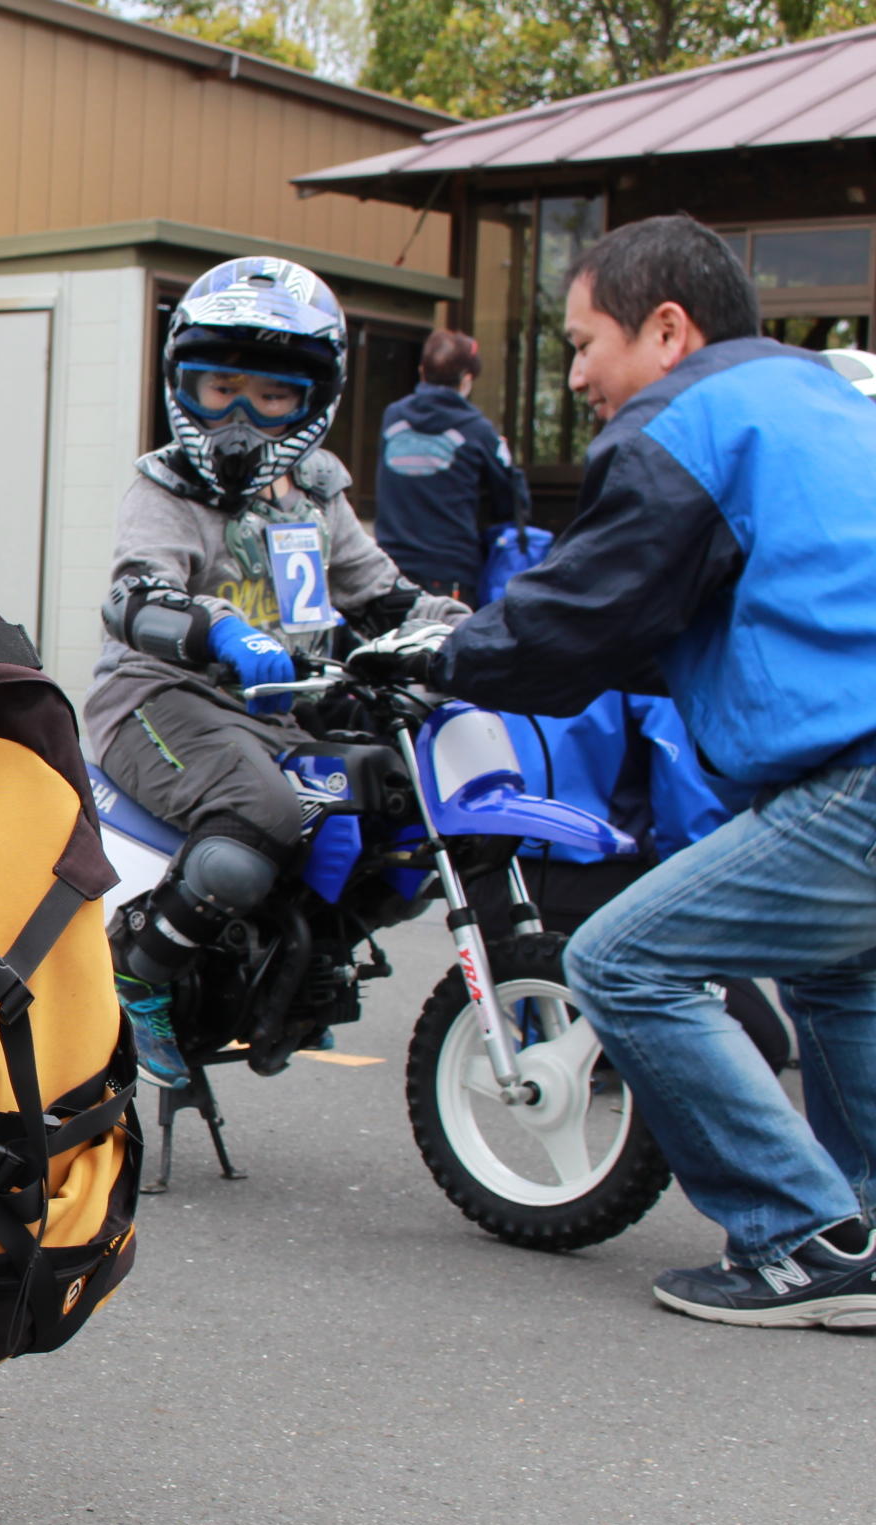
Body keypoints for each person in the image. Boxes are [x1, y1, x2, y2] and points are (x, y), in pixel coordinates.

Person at [371, 213, 876, 1329]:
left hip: (856, 775)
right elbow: (694, 613)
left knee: (623, 959)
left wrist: (444, 654)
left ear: (666, 328)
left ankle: (800, 1241)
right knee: (845, 973)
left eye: (585, 342)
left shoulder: (686, 421)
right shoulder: (823, 401)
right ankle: (868, 1231)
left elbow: (589, 610)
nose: (582, 375)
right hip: (850, 756)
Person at [88, 257, 467, 1089]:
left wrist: (476, 636)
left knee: (385, 811)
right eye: (219, 386)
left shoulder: (319, 497)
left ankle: (285, 976)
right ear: (181, 382)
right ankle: (135, 981)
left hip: (280, 711)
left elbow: (384, 597)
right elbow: (135, 593)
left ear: (313, 398)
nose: (239, 415)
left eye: (269, 395)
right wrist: (219, 627)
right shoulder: (168, 485)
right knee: (261, 816)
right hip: (159, 699)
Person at [371, 328, 530, 603]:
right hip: (449, 574)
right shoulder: (477, 429)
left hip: (388, 571)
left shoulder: (392, 417)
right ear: (467, 380)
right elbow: (513, 503)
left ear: (422, 371)